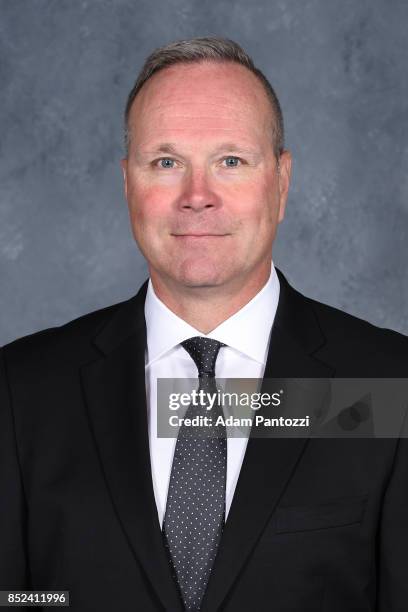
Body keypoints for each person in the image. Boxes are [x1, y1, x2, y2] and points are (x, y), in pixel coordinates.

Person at [0, 36, 407, 612]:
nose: (197, 197)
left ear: (282, 183)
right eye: (166, 163)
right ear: (127, 184)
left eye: (231, 161)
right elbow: (17, 597)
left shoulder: (389, 387)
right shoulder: (21, 391)